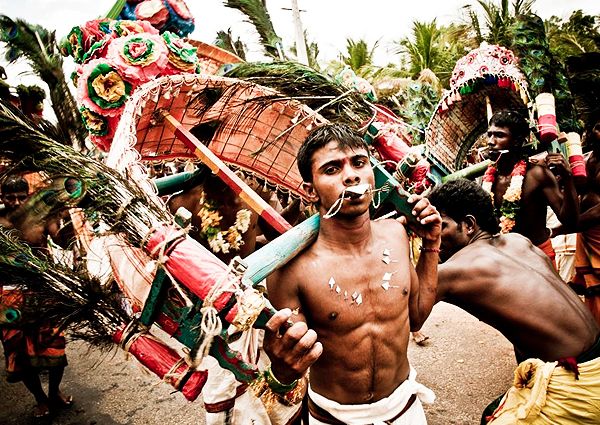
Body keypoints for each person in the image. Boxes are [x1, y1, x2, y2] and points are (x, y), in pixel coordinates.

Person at [262, 123, 442, 424]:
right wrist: (281, 370)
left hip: (405, 409)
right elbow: (287, 377)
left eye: (359, 163)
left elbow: (417, 317)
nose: (351, 176)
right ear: (310, 191)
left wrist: (432, 243)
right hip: (334, 418)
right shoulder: (292, 271)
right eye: (332, 169)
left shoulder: (396, 235)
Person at [426, 178, 600, 424]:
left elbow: (407, 311)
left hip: (579, 383)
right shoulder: (519, 241)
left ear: (468, 225)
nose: (433, 235)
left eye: (440, 227)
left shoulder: (456, 269)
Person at [0, 175, 72, 419]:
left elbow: (64, 241)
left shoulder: (40, 217)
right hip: (9, 297)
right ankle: (40, 399)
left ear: (28, 196)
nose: (16, 202)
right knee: (19, 355)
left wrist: (66, 215)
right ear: (2, 198)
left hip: (43, 291)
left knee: (55, 348)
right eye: (10, 198)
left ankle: (54, 392)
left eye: (22, 197)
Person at [484, 110, 579, 266]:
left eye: (499, 135)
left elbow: (571, 221)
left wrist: (568, 178)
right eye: (489, 135)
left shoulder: (537, 174)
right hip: (504, 260)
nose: (490, 141)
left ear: (517, 141)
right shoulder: (488, 179)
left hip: (538, 259)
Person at [567, 113, 600, 324]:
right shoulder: (587, 159)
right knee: (592, 290)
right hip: (586, 235)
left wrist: (564, 227)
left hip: (595, 230)